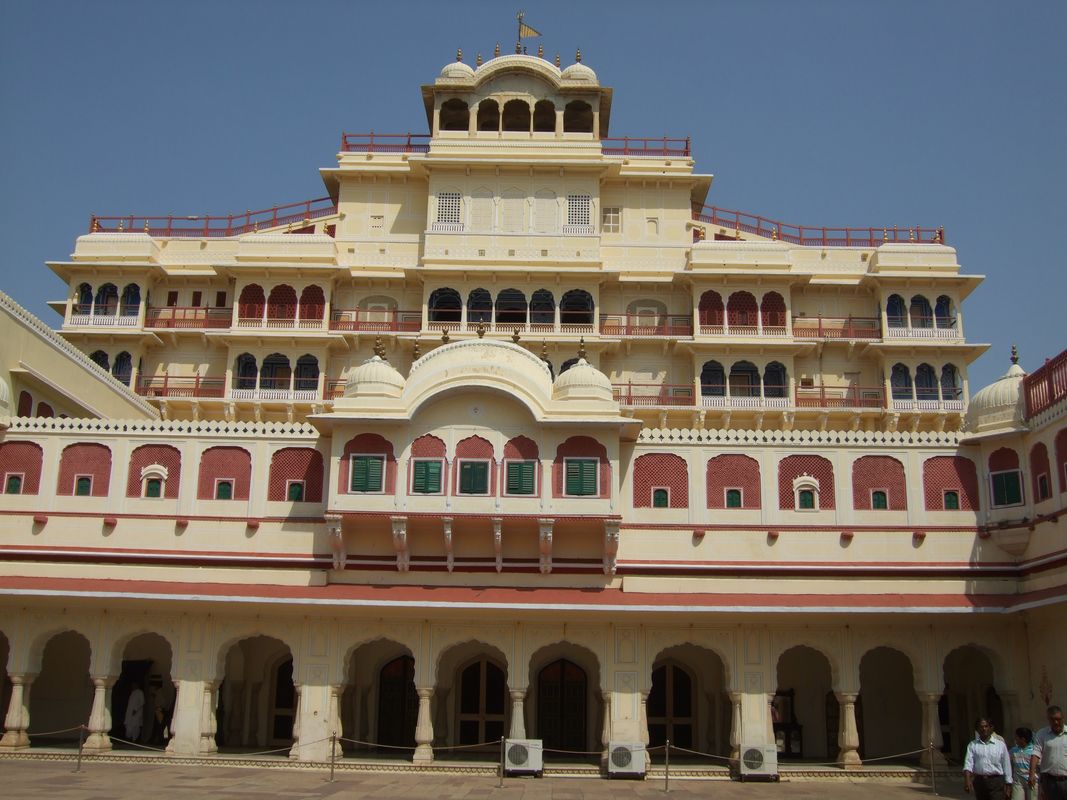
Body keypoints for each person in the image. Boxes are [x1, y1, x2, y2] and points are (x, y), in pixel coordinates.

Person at [964, 716, 1013, 799]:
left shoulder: (1000, 745)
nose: (984, 729)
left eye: (986, 726)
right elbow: (968, 764)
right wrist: (967, 780)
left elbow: (1006, 765)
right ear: (977, 729)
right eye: (981, 727)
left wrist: (1008, 784)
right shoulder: (972, 745)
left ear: (990, 728)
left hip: (996, 782)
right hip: (980, 782)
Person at [1031, 706, 1067, 800]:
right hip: (1049, 781)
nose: (1056, 722)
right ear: (1048, 720)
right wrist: (1031, 773)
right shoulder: (1042, 734)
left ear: (1063, 718)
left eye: (1058, 719)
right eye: (1052, 719)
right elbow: (1036, 754)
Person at [1012, 727, 1035, 800]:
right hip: (1018, 782)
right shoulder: (1013, 750)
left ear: (1022, 739)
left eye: (1016, 737)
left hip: (1032, 781)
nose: (1015, 739)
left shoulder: (1034, 751)